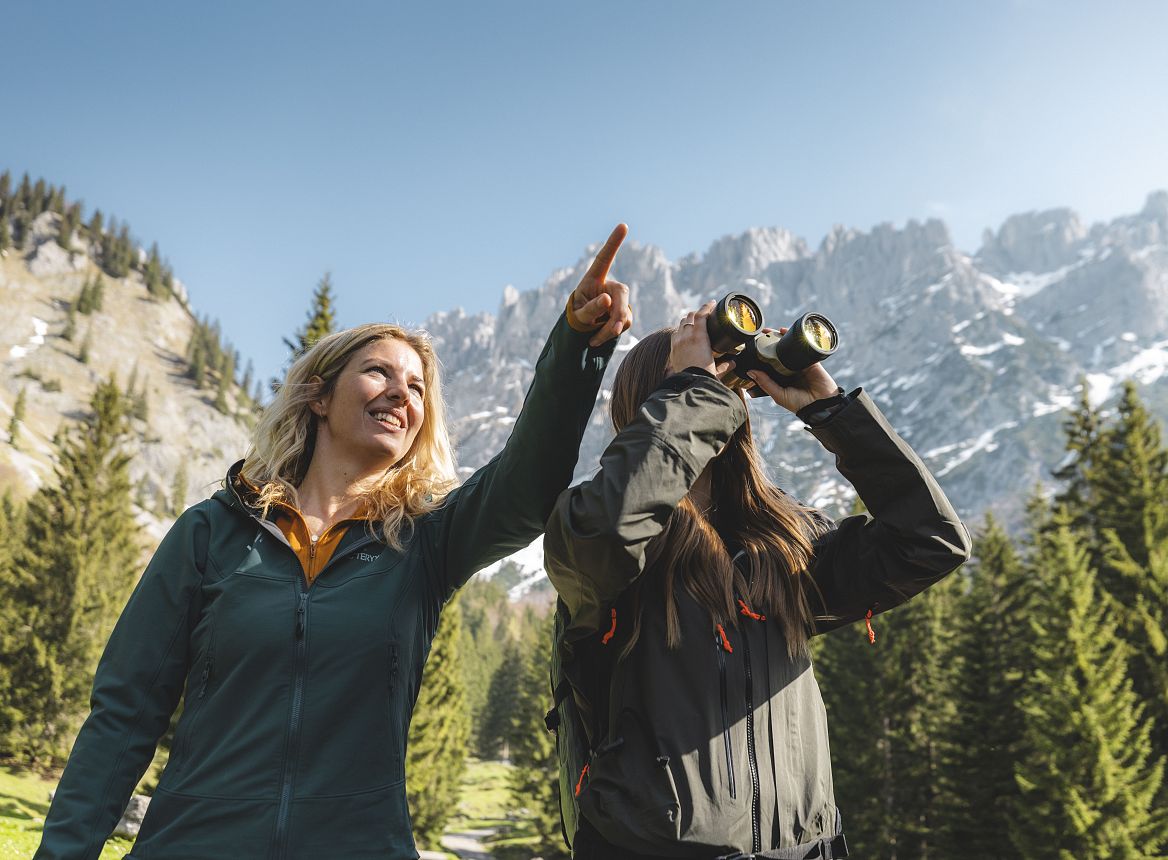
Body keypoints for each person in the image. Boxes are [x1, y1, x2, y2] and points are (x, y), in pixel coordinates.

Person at [34, 224, 635, 860]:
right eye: (378, 372)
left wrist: (576, 344)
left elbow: (527, 487)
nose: (402, 392)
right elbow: (124, 715)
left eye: (418, 387)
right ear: (319, 397)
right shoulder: (209, 533)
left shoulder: (426, 542)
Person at [544, 301, 972, 859]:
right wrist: (695, 383)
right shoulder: (595, 536)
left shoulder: (784, 545)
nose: (723, 392)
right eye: (700, 382)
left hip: (808, 847)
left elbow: (932, 542)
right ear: (659, 397)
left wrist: (830, 410)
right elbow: (616, 524)